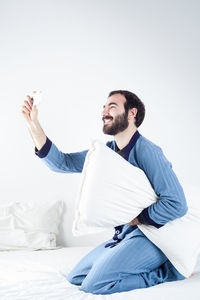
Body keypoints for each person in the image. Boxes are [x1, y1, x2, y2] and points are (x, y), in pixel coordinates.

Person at [21, 90, 187, 295]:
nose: (104, 112)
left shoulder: (147, 151)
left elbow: (176, 203)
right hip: (125, 236)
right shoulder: (105, 154)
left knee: (94, 285)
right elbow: (62, 163)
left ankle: (167, 272)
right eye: (103, 107)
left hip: (152, 237)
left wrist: (137, 219)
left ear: (131, 113)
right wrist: (33, 124)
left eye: (112, 106)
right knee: (76, 278)